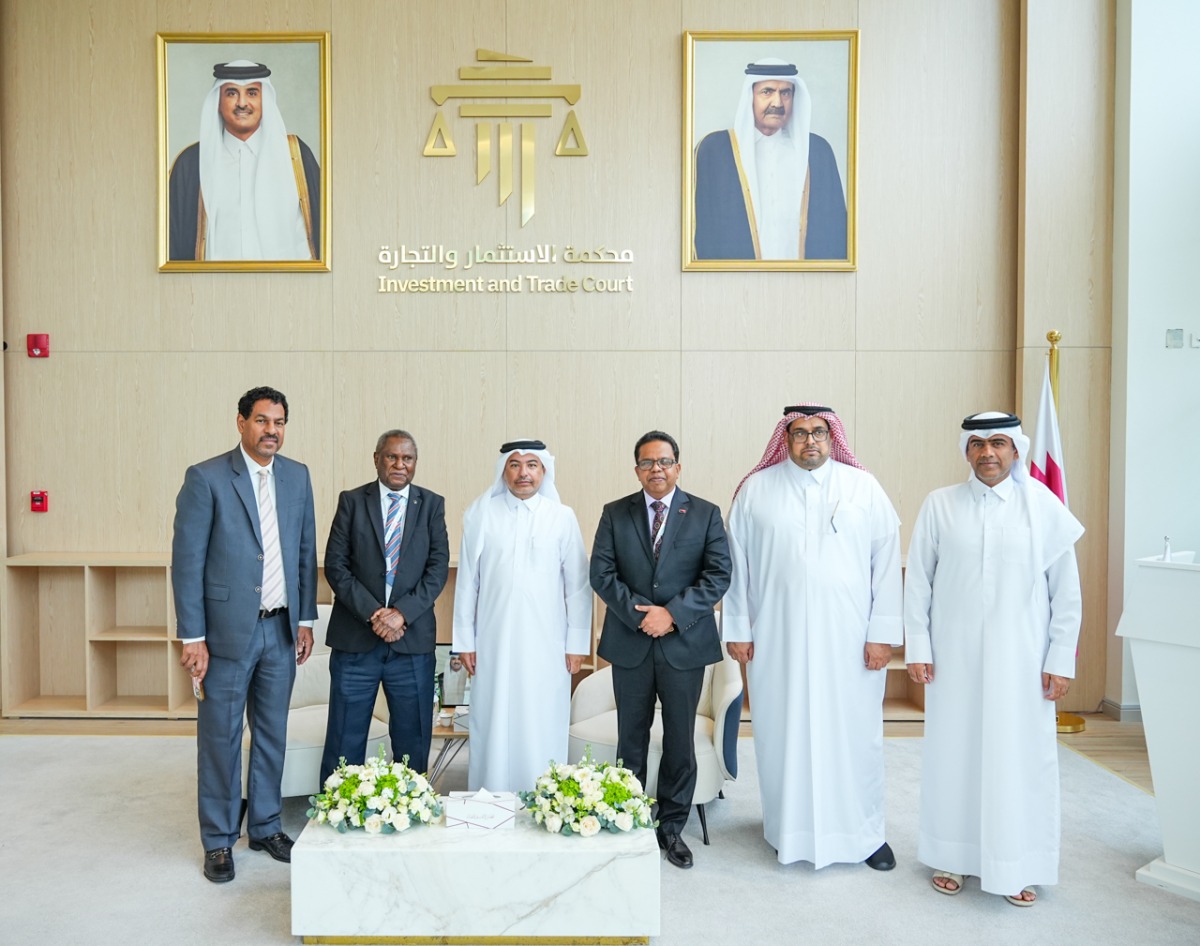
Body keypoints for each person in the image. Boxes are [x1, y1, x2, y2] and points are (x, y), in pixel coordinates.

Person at [904, 411, 1084, 907]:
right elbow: (918, 582)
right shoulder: (940, 506)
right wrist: (917, 647)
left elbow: (1066, 592)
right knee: (954, 755)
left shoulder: (1042, 506)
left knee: (1018, 759)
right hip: (953, 662)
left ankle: (1018, 863)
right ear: (966, 452)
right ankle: (953, 855)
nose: (988, 453)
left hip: (1023, 662)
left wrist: (1060, 658)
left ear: (1016, 450)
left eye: (999, 444)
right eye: (979, 445)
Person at [723, 404, 902, 870]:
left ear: (832, 436)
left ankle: (864, 835)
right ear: (784, 439)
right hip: (776, 640)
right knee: (784, 732)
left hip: (850, 643)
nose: (810, 442)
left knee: (855, 735)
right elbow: (736, 569)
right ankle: (790, 831)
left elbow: (886, 565)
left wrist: (882, 634)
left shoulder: (863, 487)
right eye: (799, 433)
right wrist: (737, 630)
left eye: (819, 432)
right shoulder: (756, 490)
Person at [172, 386, 318, 883]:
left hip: (279, 629)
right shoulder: (207, 478)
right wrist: (192, 636)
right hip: (224, 636)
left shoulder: (297, 477)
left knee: (272, 734)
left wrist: (304, 620)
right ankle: (217, 840)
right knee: (220, 737)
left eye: (278, 422)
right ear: (240, 423)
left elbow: (303, 553)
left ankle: (266, 824)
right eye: (261, 421)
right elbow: (187, 564)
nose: (270, 431)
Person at [590, 431, 731, 870]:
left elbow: (718, 575)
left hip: (684, 645)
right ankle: (628, 820)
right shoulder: (615, 513)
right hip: (630, 643)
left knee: (679, 741)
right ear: (636, 469)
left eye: (665, 461)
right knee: (630, 739)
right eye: (648, 462)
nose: (657, 469)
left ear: (678, 466)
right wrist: (640, 616)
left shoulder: (705, 513)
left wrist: (670, 614)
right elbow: (601, 572)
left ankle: (671, 827)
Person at [452, 440, 591, 792]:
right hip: (492, 639)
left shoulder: (562, 517)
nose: (523, 473)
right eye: (515, 465)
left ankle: (543, 797)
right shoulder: (480, 514)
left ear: (544, 471)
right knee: (493, 717)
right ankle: (491, 794)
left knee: (541, 718)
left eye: (532, 465)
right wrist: (465, 642)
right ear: (503, 471)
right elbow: (468, 582)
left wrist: (576, 644)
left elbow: (577, 586)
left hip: (548, 642)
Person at [320, 430, 449, 785]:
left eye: (407, 459)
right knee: (345, 733)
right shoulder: (351, 501)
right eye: (392, 457)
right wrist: (376, 613)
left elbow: (437, 569)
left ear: (415, 463)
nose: (399, 465)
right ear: (376, 458)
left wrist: (401, 613)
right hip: (356, 638)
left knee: (413, 735)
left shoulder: (432, 504)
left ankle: (410, 804)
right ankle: (337, 806)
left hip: (412, 641)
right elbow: (336, 566)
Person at [693, 58, 847, 261]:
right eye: (767, 92)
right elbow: (700, 229)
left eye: (785, 93)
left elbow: (836, 231)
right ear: (750, 97)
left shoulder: (818, 152)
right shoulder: (714, 150)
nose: (777, 103)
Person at [168, 60, 320, 261]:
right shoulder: (190, 164)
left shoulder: (296, 156)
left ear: (264, 99)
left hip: (288, 289)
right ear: (218, 102)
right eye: (231, 93)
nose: (242, 103)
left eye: (252, 93)